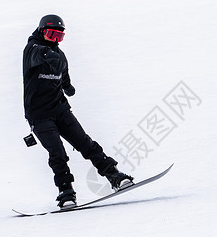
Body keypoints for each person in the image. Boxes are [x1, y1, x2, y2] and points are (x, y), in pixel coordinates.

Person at [22, 14, 133, 209]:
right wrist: (48, 54)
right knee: (57, 153)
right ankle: (66, 193)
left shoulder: (60, 55)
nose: (55, 40)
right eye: (51, 34)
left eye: (59, 36)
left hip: (60, 110)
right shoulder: (32, 49)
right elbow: (38, 55)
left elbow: (64, 75)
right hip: (39, 115)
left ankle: (114, 176)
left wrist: (68, 87)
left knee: (86, 144)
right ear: (42, 31)